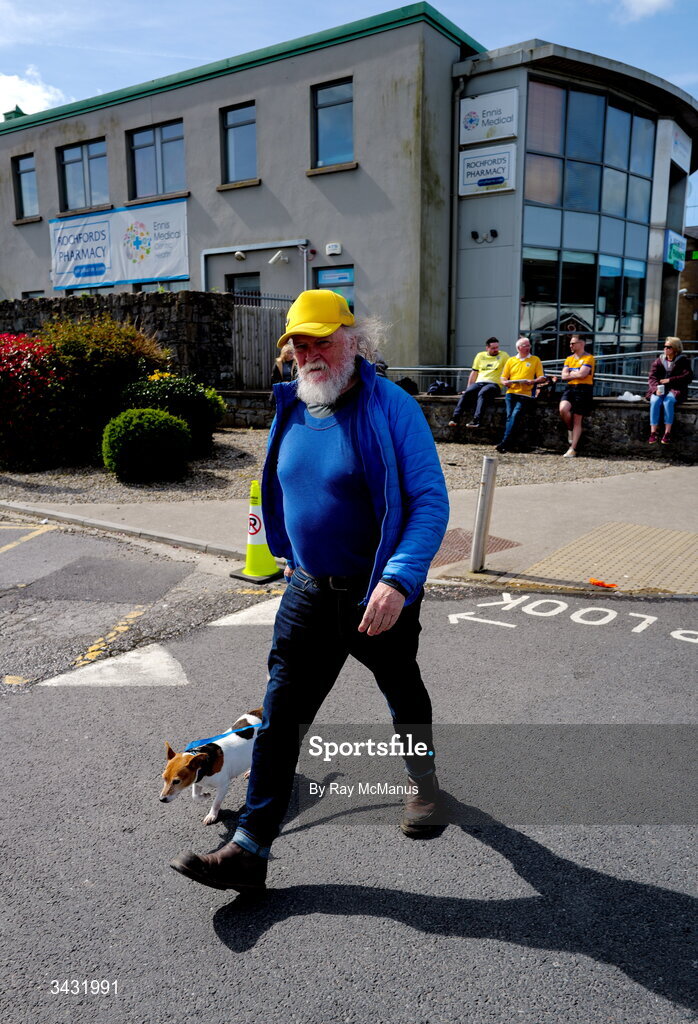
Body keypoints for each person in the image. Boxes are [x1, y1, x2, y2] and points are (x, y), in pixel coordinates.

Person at [171, 289, 449, 893]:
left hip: (379, 591)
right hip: (307, 591)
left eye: (321, 338)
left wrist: (399, 580)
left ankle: (424, 786)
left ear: (356, 340)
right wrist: (290, 560)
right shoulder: (293, 403)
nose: (307, 352)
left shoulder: (392, 407)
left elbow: (430, 501)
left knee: (403, 691)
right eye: (298, 341)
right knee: (280, 715)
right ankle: (250, 849)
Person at [495, 337, 547, 453]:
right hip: (511, 392)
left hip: (525, 394)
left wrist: (533, 381)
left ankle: (504, 442)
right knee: (510, 417)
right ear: (519, 348)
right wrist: (505, 382)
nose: (528, 348)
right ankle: (509, 444)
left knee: (515, 415)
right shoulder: (511, 360)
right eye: (525, 346)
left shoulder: (535, 360)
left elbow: (541, 377)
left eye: (529, 345)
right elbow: (503, 376)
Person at [448, 337, 509, 429]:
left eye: (497, 347)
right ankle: (455, 418)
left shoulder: (504, 355)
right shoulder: (480, 356)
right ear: (487, 348)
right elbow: (474, 372)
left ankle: (477, 420)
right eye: (493, 348)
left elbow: (510, 369)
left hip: (494, 384)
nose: (496, 350)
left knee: (483, 393)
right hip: (479, 382)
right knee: (468, 393)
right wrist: (468, 387)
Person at [646, 337, 693, 446]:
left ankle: (667, 433)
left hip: (676, 389)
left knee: (668, 401)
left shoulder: (683, 361)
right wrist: (655, 388)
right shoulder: (659, 360)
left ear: (675, 349)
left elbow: (688, 377)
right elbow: (652, 377)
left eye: (669, 347)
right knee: (654, 401)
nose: (665, 349)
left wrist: (670, 380)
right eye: (665, 347)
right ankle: (653, 432)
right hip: (660, 389)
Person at [558, 334, 595, 458]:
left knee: (577, 419)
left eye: (573, 343)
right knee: (563, 409)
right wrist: (575, 373)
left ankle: (573, 448)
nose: (571, 345)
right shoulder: (569, 358)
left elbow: (583, 374)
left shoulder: (589, 358)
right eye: (570, 343)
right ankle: (570, 430)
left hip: (583, 389)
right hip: (570, 388)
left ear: (582, 344)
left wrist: (573, 373)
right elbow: (563, 376)